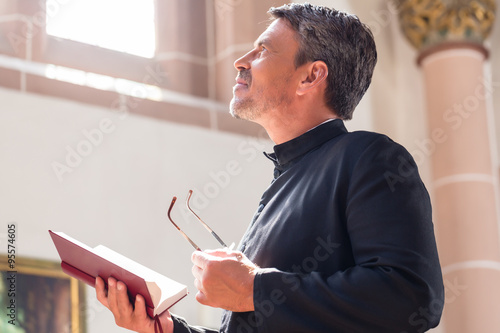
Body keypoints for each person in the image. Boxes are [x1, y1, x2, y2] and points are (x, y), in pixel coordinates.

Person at [96, 3, 444, 332]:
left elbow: (412, 296)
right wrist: (166, 328)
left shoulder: (369, 157)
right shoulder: (280, 185)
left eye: (262, 50)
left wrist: (254, 288)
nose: (240, 62)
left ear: (311, 76)